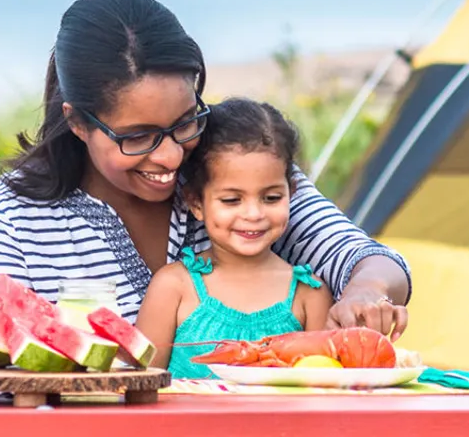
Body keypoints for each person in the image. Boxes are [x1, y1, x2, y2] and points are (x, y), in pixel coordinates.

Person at [0, 0, 412, 338]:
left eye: (185, 122)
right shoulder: (17, 215)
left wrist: (367, 291)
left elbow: (365, 258)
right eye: (137, 137)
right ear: (79, 123)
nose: (171, 155)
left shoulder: (241, 167)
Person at [135, 98, 333, 379]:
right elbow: (139, 385)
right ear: (196, 203)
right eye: (231, 200)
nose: (253, 214)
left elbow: (325, 388)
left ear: (292, 191)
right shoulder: (173, 288)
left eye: (272, 198)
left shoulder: (309, 295)